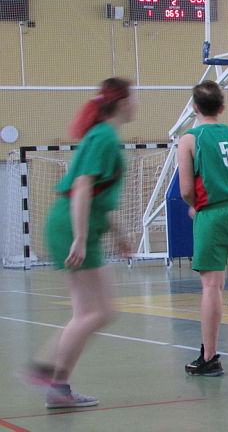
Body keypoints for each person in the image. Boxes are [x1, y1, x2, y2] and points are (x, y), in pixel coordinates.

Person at [26, 78, 135, 409]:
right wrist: (80, 238)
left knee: (91, 311)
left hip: (81, 225)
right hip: (72, 226)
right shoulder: (103, 136)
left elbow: (99, 195)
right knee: (97, 311)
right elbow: (83, 187)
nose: (136, 104)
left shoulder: (103, 136)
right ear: (121, 103)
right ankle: (45, 371)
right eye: (132, 98)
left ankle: (56, 385)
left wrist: (119, 234)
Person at [177, 80, 228, 375]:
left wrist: (195, 206)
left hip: (214, 212)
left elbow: (186, 189)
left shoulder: (189, 139)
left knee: (212, 285)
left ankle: (210, 356)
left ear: (194, 107)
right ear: (222, 108)